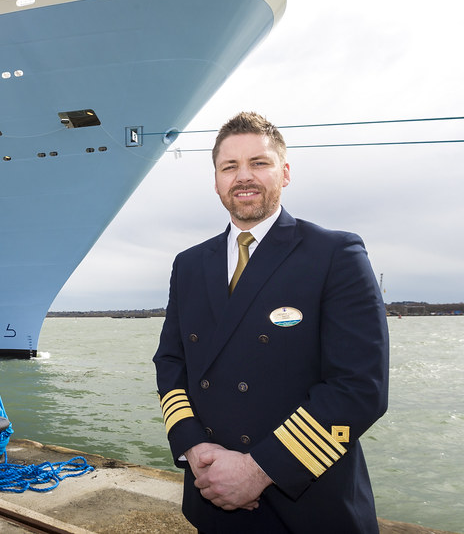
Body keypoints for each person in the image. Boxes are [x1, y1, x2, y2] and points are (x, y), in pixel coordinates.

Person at [153, 111, 389, 533]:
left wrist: (259, 470)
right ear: (216, 181)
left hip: (307, 504)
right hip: (212, 498)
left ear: (285, 171)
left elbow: (359, 388)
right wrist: (194, 447)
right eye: (229, 167)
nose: (243, 176)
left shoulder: (335, 254)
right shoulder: (188, 264)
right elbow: (171, 364)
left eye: (258, 163)